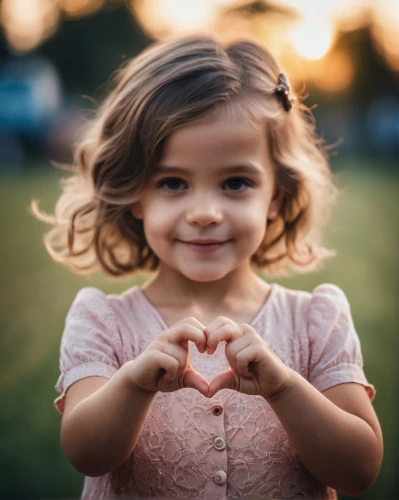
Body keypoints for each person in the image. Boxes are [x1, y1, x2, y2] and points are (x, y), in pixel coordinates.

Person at [31, 34, 383, 499]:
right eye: (173, 183)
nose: (205, 213)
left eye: (235, 182)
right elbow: (86, 452)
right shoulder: (103, 321)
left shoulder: (316, 320)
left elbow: (358, 471)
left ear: (276, 196)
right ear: (136, 194)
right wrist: (134, 385)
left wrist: (284, 389)